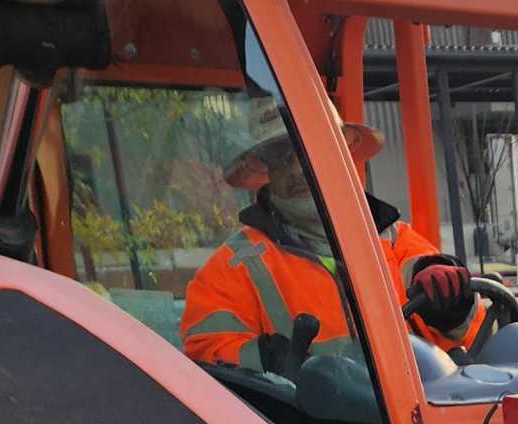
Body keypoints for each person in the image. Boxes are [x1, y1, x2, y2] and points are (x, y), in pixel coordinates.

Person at [180, 112, 483, 377]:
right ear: (266, 170)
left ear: (336, 153)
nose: (298, 169)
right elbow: (207, 352)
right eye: (280, 155)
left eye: (309, 150)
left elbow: (468, 333)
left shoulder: (393, 237)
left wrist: (452, 307)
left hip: (415, 420)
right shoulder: (235, 265)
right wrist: (268, 364)